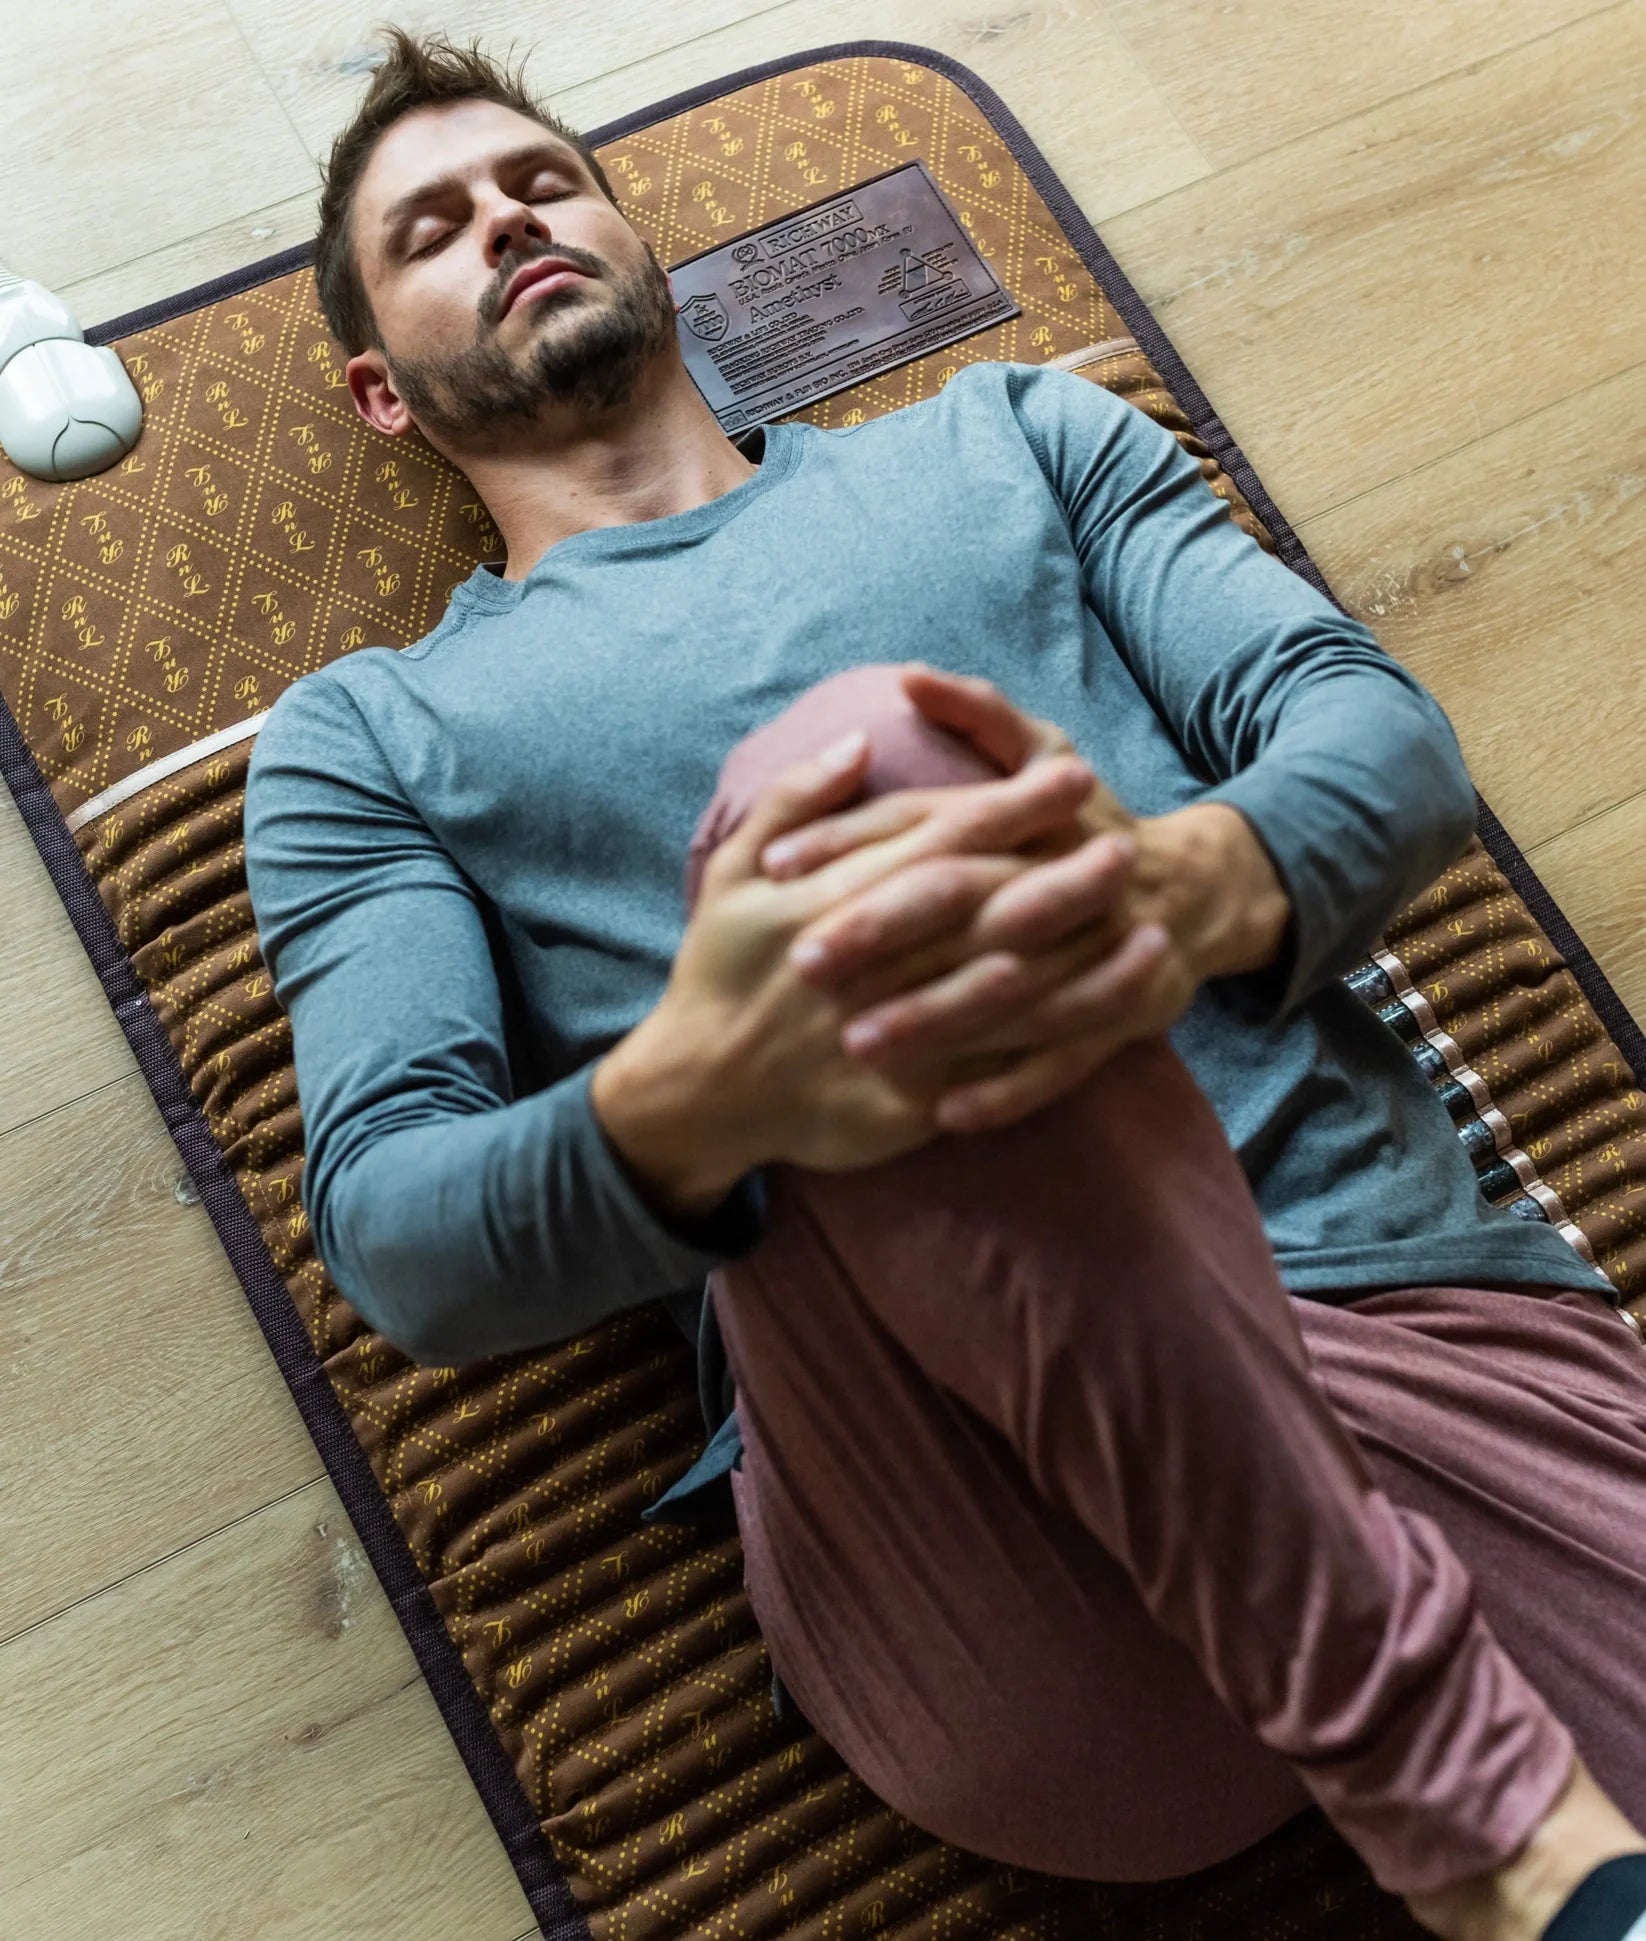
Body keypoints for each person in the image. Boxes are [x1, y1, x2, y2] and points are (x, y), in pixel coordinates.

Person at [240, 29, 1646, 1941]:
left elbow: (1375, 746)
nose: (509, 216)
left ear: (638, 238)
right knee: (863, 805)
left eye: (545, 180)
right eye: (434, 226)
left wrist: (1161, 888)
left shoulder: (1016, 434)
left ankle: (1486, 1816)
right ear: (379, 391)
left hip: (1406, 1346)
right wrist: (728, 1085)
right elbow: (402, 1239)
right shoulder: (368, 738)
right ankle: (1455, 1776)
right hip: (977, 1561)